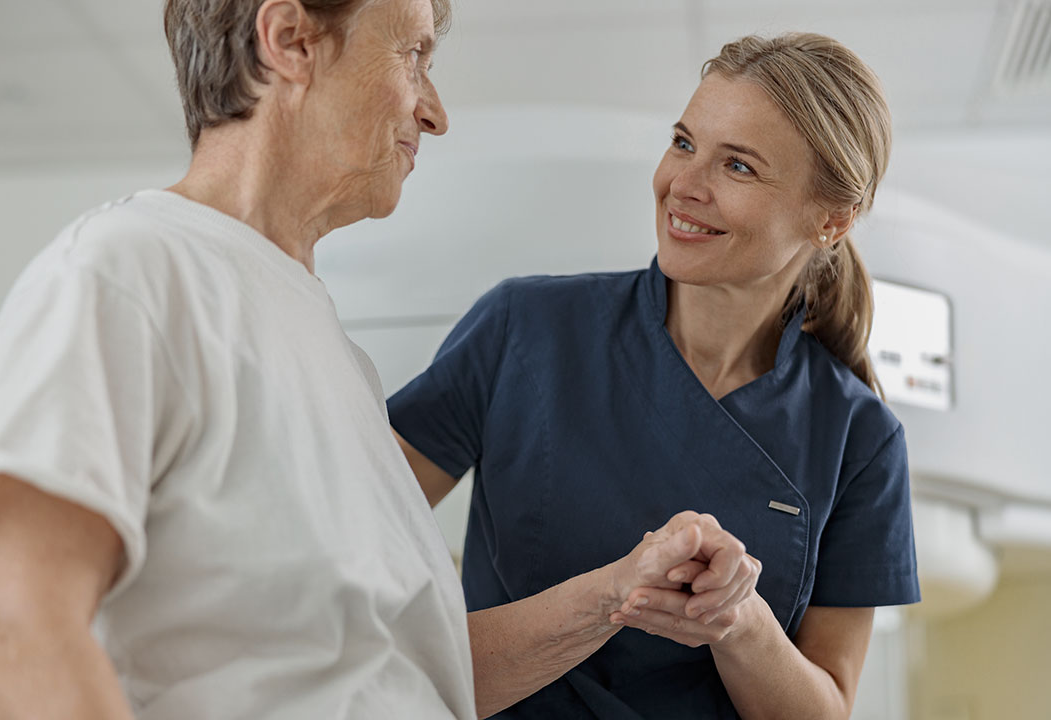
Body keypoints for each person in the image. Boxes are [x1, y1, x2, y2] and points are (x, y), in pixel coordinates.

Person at [0, 0, 476, 718]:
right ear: (292, 40)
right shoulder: (128, 271)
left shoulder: (342, 360)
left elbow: (378, 670)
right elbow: (17, 630)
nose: (434, 112)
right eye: (414, 57)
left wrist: (612, 596)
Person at [388, 32, 921, 719]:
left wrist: (741, 621)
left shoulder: (860, 439)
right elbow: (345, 533)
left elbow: (827, 706)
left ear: (831, 219)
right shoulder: (525, 329)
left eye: (739, 167)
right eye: (683, 142)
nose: (683, 185)